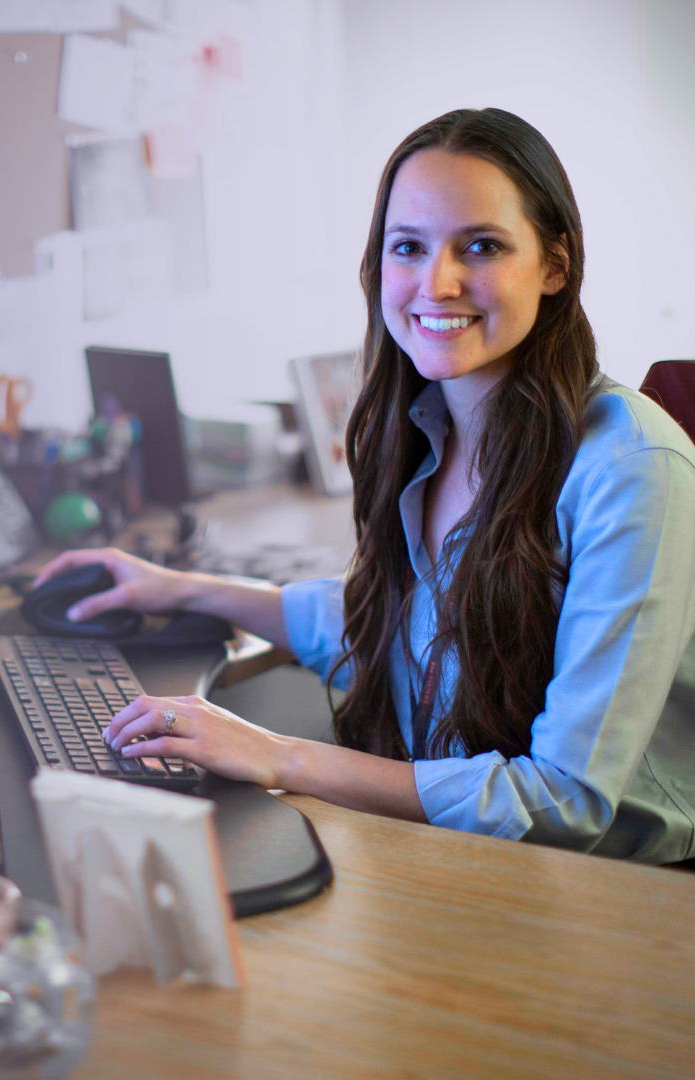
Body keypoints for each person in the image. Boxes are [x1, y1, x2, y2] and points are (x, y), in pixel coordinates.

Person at [35, 108, 695, 863]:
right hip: (469, 854)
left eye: (480, 245)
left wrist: (280, 758)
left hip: (619, 892)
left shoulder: (632, 466)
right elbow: (402, 631)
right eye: (407, 246)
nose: (435, 282)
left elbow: (564, 800)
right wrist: (182, 588)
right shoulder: (427, 427)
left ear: (555, 264)